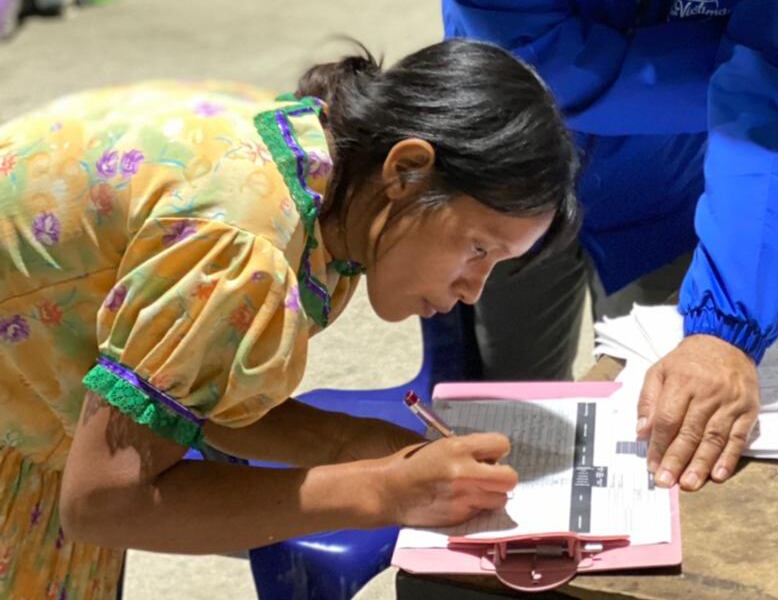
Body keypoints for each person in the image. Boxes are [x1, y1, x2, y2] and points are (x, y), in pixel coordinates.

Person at [0, 39, 579, 600]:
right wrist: (381, 491)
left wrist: (362, 443)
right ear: (406, 171)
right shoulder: (246, 246)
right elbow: (104, 504)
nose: (473, 290)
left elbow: (194, 392)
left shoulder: (324, 175)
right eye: (478, 248)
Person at [433, 0, 778, 493]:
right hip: (507, 176)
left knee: (661, 430)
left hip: (669, 188)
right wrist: (733, 71)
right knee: (507, 424)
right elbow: (529, 62)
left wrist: (726, 327)